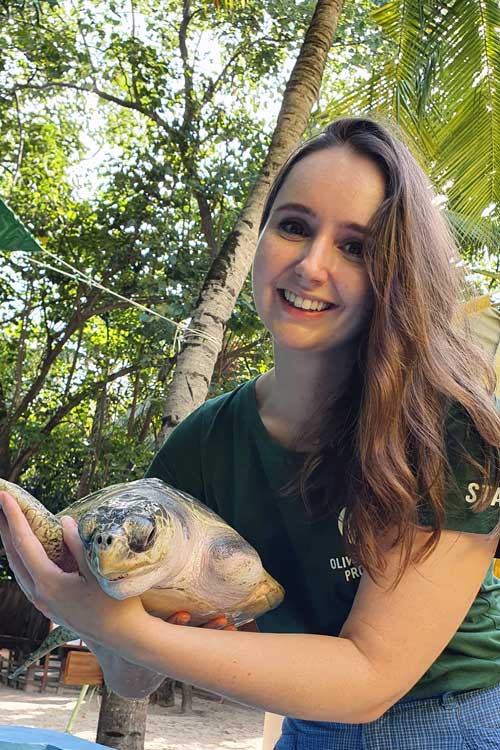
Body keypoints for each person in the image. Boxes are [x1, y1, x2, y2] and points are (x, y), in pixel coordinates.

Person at [1, 117, 500, 749]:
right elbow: (131, 681)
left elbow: (373, 676)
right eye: (293, 226)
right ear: (260, 239)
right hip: (304, 724)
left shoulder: (447, 426)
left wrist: (130, 632)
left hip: (451, 720)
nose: (312, 265)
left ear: (396, 275)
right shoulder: (203, 446)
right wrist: (89, 605)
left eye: (355, 246)